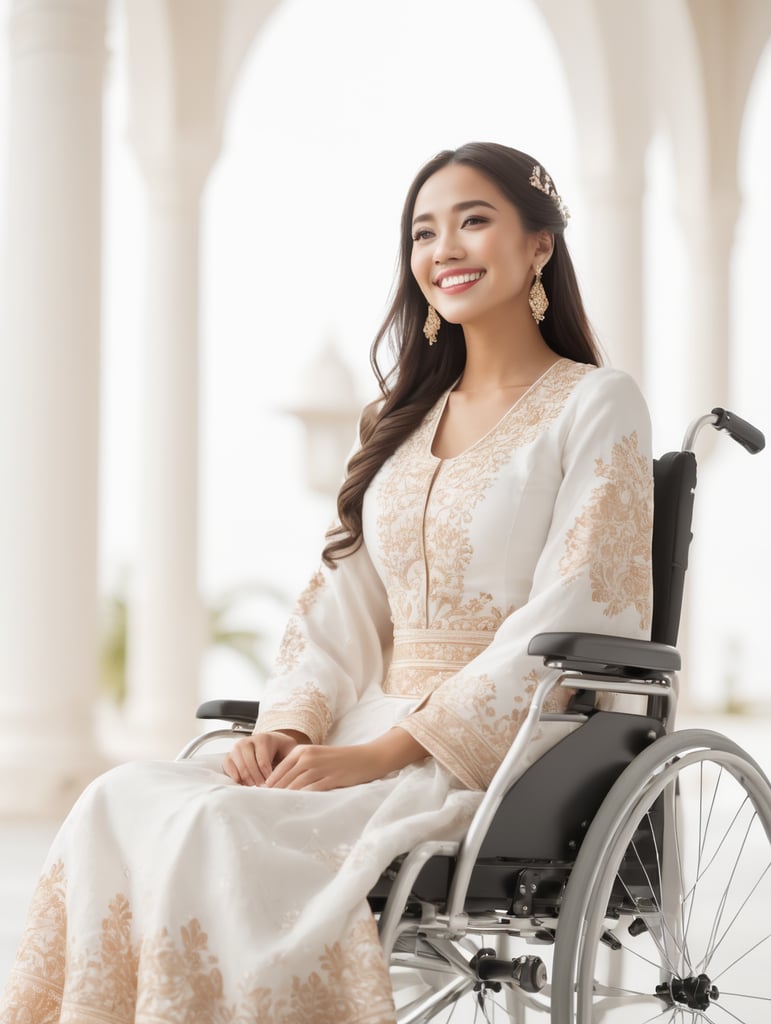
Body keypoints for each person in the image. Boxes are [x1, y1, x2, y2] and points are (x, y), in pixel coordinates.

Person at [0, 142, 653, 1024]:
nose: (443, 249)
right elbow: (341, 603)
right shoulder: (400, 420)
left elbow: (576, 604)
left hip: (490, 748)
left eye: (472, 221)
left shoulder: (594, 402)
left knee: (216, 829)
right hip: (358, 727)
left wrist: (387, 751)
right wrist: (291, 726)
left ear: (539, 245)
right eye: (423, 232)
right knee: (117, 798)